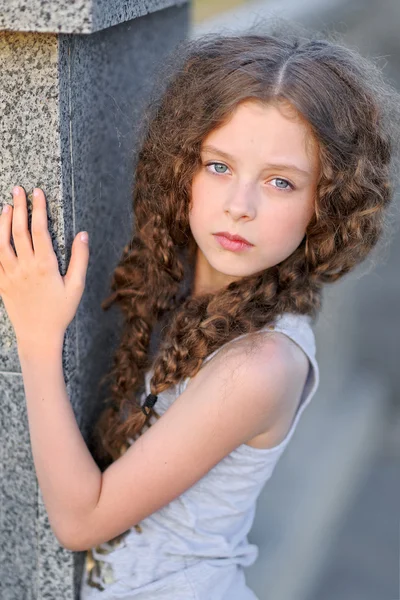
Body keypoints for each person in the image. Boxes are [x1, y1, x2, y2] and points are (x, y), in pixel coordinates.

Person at [2, 17, 400, 600]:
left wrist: (37, 342)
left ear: (327, 203)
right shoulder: (187, 290)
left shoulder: (260, 366)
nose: (240, 205)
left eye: (281, 182)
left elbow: (81, 520)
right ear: (182, 167)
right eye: (219, 166)